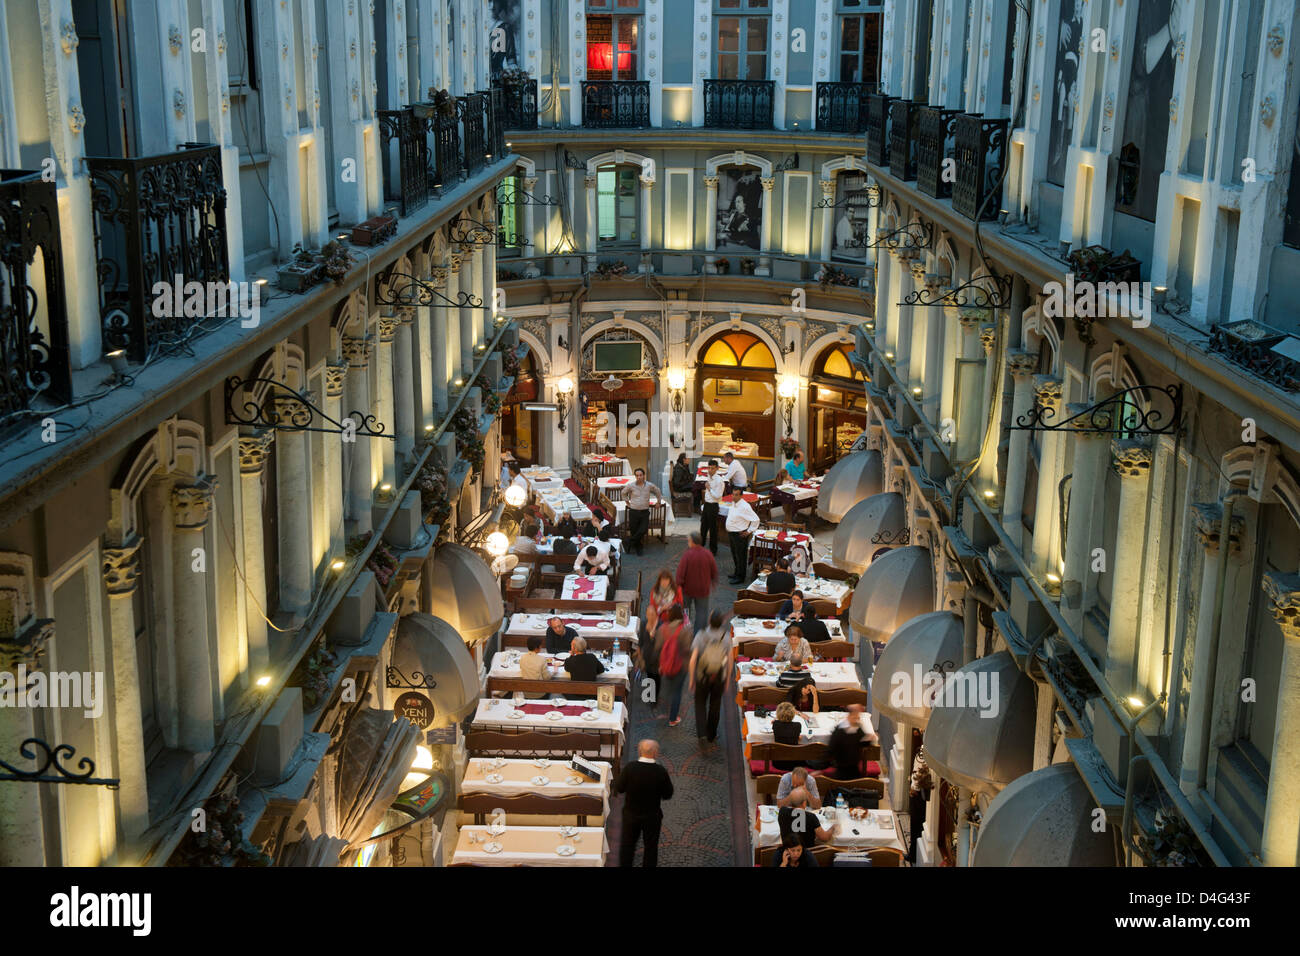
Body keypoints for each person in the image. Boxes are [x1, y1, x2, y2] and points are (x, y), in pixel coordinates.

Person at [613, 739, 674, 867]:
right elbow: (668, 794)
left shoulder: (630, 768)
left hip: (631, 815)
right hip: (652, 816)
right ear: (656, 753)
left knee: (627, 846)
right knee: (651, 848)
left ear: (639, 751)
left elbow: (619, 788)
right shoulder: (660, 771)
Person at [689, 609, 731, 748]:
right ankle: (712, 734)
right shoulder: (726, 637)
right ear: (722, 623)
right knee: (715, 704)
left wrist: (691, 679)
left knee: (700, 704)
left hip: (703, 675)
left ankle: (702, 734)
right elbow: (730, 660)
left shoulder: (701, 635)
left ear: (709, 621)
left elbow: (693, 659)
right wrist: (728, 679)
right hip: (719, 675)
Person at [653, 605, 691, 726]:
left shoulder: (662, 628)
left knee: (669, 686)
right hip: (681, 665)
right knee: (677, 691)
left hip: (666, 665)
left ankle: (666, 708)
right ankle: (673, 718)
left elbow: (657, 648)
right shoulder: (684, 630)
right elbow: (688, 649)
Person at [675, 532, 718, 630]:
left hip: (687, 590)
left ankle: (685, 633)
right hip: (703, 590)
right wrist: (713, 583)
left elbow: (680, 573)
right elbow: (714, 571)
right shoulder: (708, 554)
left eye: (689, 540)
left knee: (685, 612)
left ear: (692, 542)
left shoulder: (687, 555)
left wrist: (678, 585)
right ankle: (698, 636)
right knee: (702, 613)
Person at [825, 704, 877, 780]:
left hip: (854, 769)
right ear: (849, 716)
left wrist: (869, 738)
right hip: (841, 770)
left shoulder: (858, 728)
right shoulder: (839, 731)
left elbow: (862, 743)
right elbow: (831, 750)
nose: (858, 718)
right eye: (855, 716)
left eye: (858, 716)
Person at [724, 489, 761, 584]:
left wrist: (749, 531)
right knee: (735, 554)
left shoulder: (745, 506)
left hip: (739, 535)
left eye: (736, 495)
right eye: (733, 494)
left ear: (741, 496)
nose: (733, 496)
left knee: (741, 556)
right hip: (732, 533)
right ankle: (737, 572)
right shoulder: (734, 503)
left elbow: (756, 519)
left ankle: (741, 577)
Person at [624, 467, 663, 556]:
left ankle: (629, 541)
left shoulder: (649, 485)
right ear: (635, 476)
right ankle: (638, 547)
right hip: (633, 511)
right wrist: (627, 502)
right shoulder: (631, 485)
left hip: (644, 512)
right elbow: (623, 492)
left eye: (640, 475)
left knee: (643, 530)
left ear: (644, 476)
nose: (639, 477)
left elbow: (658, 491)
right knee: (634, 531)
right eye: (637, 476)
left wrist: (659, 501)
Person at [699, 459, 726, 554]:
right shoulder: (708, 477)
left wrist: (709, 489)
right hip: (706, 505)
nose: (710, 470)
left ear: (717, 468)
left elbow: (718, 496)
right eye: (709, 468)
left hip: (713, 506)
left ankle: (713, 550)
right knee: (703, 527)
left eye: (712, 468)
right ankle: (700, 548)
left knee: (713, 529)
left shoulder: (719, 481)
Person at [645, 569, 683, 635]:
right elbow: (652, 608)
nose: (664, 583)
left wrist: (671, 605)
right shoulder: (654, 591)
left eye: (666, 580)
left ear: (670, 580)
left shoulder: (677, 589)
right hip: (659, 621)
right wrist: (662, 608)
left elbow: (681, 604)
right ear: (659, 581)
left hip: (673, 620)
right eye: (662, 580)